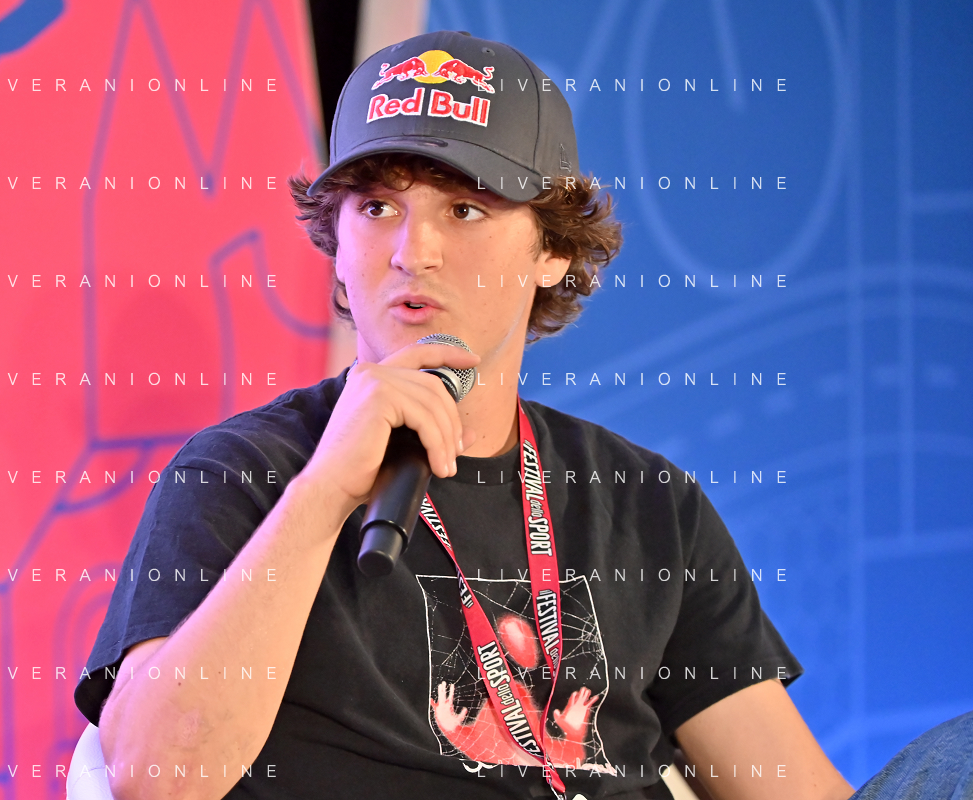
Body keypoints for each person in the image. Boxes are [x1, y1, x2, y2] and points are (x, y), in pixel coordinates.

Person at [72, 30, 969, 800]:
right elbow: (155, 777)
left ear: (553, 250)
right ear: (335, 244)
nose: (412, 251)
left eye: (464, 209)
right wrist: (323, 494)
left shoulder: (646, 505)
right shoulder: (241, 474)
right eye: (377, 208)